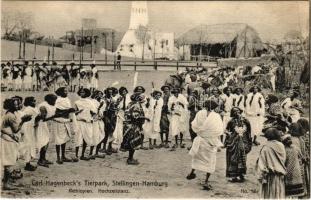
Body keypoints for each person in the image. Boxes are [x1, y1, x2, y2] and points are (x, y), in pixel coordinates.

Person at [186, 100, 223, 190]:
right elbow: (219, 130)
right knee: (210, 161)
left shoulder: (200, 113)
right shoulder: (216, 116)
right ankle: (206, 181)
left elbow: (193, 125)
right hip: (210, 141)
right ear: (214, 107)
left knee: (197, 158)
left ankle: (192, 173)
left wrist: (200, 131)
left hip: (200, 139)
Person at [1, 98, 32, 190]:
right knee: (9, 162)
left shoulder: (8, 113)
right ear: (11, 106)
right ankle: (6, 184)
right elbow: (16, 130)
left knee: (9, 161)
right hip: (8, 141)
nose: (18, 106)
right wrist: (23, 121)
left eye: (18, 104)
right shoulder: (11, 116)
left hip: (7, 138)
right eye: (16, 104)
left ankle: (7, 181)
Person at [255, 127, 286, 199]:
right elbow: (284, 160)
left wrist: (261, 177)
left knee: (269, 196)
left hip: (269, 177)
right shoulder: (281, 145)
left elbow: (261, 165)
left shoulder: (266, 147)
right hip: (280, 177)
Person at [224, 107, 252, 182]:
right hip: (233, 142)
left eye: (238, 111)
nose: (237, 113)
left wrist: (249, 142)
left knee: (242, 158)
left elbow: (249, 132)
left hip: (243, 142)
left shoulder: (246, 121)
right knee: (233, 159)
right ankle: (233, 176)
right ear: (232, 113)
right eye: (235, 111)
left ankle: (241, 175)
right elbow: (226, 130)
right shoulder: (231, 121)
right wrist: (228, 134)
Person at [121, 93, 146, 165]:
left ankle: (130, 157)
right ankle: (130, 159)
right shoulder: (136, 105)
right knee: (133, 142)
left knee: (130, 141)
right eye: (141, 97)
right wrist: (145, 118)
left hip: (127, 125)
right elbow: (135, 116)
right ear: (138, 98)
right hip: (133, 125)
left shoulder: (130, 103)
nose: (142, 99)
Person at [52, 87, 76, 164]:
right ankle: (58, 157)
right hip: (59, 121)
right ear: (61, 92)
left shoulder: (67, 100)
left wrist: (71, 112)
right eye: (64, 91)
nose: (66, 92)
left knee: (64, 139)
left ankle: (63, 156)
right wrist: (68, 110)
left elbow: (68, 111)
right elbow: (56, 112)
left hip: (66, 121)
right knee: (58, 140)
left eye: (67, 91)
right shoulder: (58, 100)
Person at [36, 94, 58, 167]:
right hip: (41, 125)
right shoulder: (43, 106)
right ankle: (41, 160)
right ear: (49, 100)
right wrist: (54, 116)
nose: (55, 102)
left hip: (47, 125)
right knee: (43, 142)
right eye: (54, 100)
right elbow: (43, 118)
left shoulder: (50, 105)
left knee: (47, 142)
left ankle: (43, 158)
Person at [74, 88, 95, 161]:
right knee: (78, 138)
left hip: (87, 121)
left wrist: (92, 118)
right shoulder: (77, 102)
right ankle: (76, 155)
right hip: (79, 121)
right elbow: (74, 113)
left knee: (86, 138)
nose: (82, 93)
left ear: (86, 93)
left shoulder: (90, 102)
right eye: (81, 92)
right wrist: (78, 112)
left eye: (84, 92)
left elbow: (93, 112)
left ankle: (82, 155)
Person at [19, 97, 39, 171]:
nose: (35, 102)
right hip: (27, 128)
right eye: (33, 101)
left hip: (30, 128)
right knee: (27, 145)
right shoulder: (29, 109)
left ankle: (28, 163)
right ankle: (27, 164)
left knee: (30, 145)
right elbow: (38, 115)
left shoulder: (30, 108)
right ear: (29, 102)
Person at [297, 118, 310, 197]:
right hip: (306, 159)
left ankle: (305, 191)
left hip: (304, 159)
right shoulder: (305, 136)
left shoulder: (301, 137)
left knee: (304, 175)